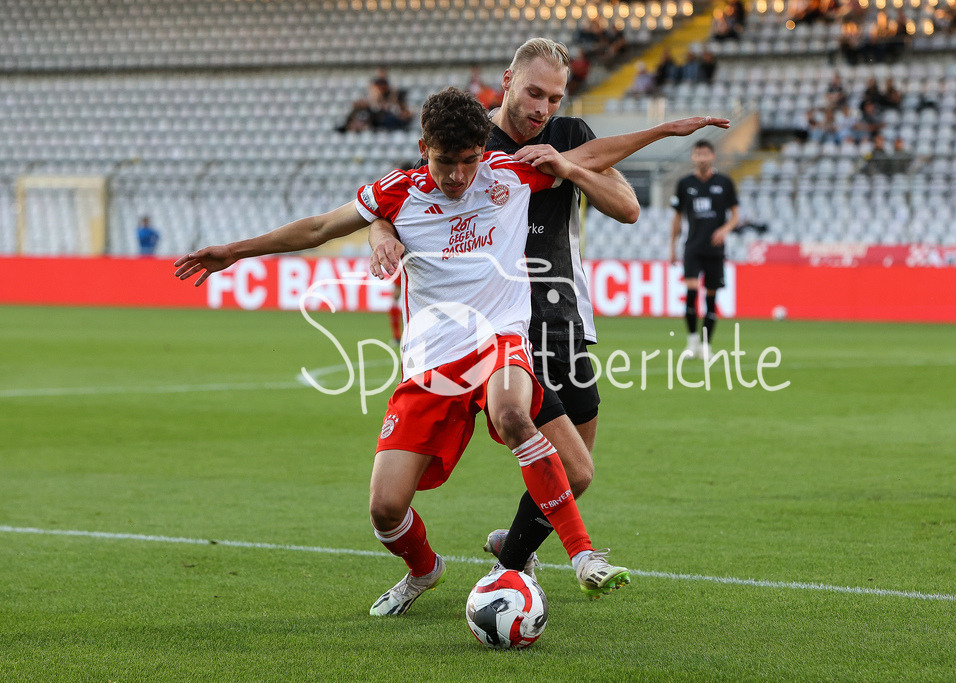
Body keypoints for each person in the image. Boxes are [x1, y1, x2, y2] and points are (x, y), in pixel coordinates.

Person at [173, 87, 635, 615]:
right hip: (430, 365)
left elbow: (592, 157)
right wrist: (233, 251)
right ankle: (424, 571)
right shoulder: (397, 193)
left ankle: (582, 557)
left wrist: (665, 130)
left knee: (512, 413)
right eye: (444, 162)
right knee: (386, 509)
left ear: (483, 151)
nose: (458, 176)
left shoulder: (508, 174)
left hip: (499, 342)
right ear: (423, 148)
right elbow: (320, 227)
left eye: (468, 161)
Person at [368, 38, 729, 582]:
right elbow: (401, 200)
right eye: (534, 92)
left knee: (578, 465)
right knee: (529, 440)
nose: (543, 108)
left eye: (555, 98)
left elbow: (628, 208)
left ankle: (514, 545)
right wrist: (377, 231)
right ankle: (509, 564)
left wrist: (567, 167)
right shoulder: (468, 133)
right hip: (489, 322)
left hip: (562, 312)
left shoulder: (571, 136)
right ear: (507, 80)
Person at [669, 140, 739, 359]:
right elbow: (678, 217)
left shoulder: (725, 182)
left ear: (712, 156)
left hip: (715, 250)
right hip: (692, 247)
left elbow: (735, 215)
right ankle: (691, 341)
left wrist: (725, 230)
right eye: (698, 154)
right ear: (693, 157)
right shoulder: (684, 183)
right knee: (691, 293)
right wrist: (672, 246)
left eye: (705, 154)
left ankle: (706, 344)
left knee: (711, 297)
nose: (702, 157)